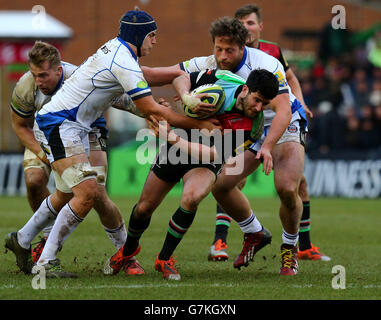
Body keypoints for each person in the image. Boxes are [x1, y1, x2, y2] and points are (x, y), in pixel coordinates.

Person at [5, 9, 219, 279]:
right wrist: (199, 124)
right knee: (88, 194)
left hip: (70, 126)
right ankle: (46, 261)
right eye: (152, 35)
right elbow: (149, 106)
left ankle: (22, 239)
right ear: (139, 35)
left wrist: (194, 67)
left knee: (68, 195)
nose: (155, 41)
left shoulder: (119, 51)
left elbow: (151, 74)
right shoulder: (122, 60)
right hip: (60, 125)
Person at [141, 16, 307, 275]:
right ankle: (254, 233)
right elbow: (172, 75)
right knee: (222, 185)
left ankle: (290, 249)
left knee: (286, 188)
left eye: (229, 50)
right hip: (247, 130)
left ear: (244, 47)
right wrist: (185, 95)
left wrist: (267, 147)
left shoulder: (265, 63)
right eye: (218, 49)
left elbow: (283, 110)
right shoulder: (209, 62)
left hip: (282, 125)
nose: (222, 56)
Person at [104, 68, 279, 280]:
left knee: (192, 197)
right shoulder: (223, 79)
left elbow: (215, 154)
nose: (259, 108)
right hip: (180, 141)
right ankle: (128, 252)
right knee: (144, 208)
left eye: (265, 104)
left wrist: (171, 138)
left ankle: (165, 259)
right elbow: (181, 77)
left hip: (204, 156)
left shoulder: (253, 128)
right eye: (257, 100)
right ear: (244, 89)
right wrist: (187, 97)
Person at [5, 41, 147, 277]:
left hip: (88, 131)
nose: (38, 81)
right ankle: (45, 246)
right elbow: (19, 126)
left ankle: (126, 255)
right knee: (35, 179)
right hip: (41, 134)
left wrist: (149, 110)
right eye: (35, 75)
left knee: (96, 193)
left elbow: (117, 98)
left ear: (59, 70)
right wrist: (45, 155)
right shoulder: (24, 86)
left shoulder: (78, 76)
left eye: (43, 75)